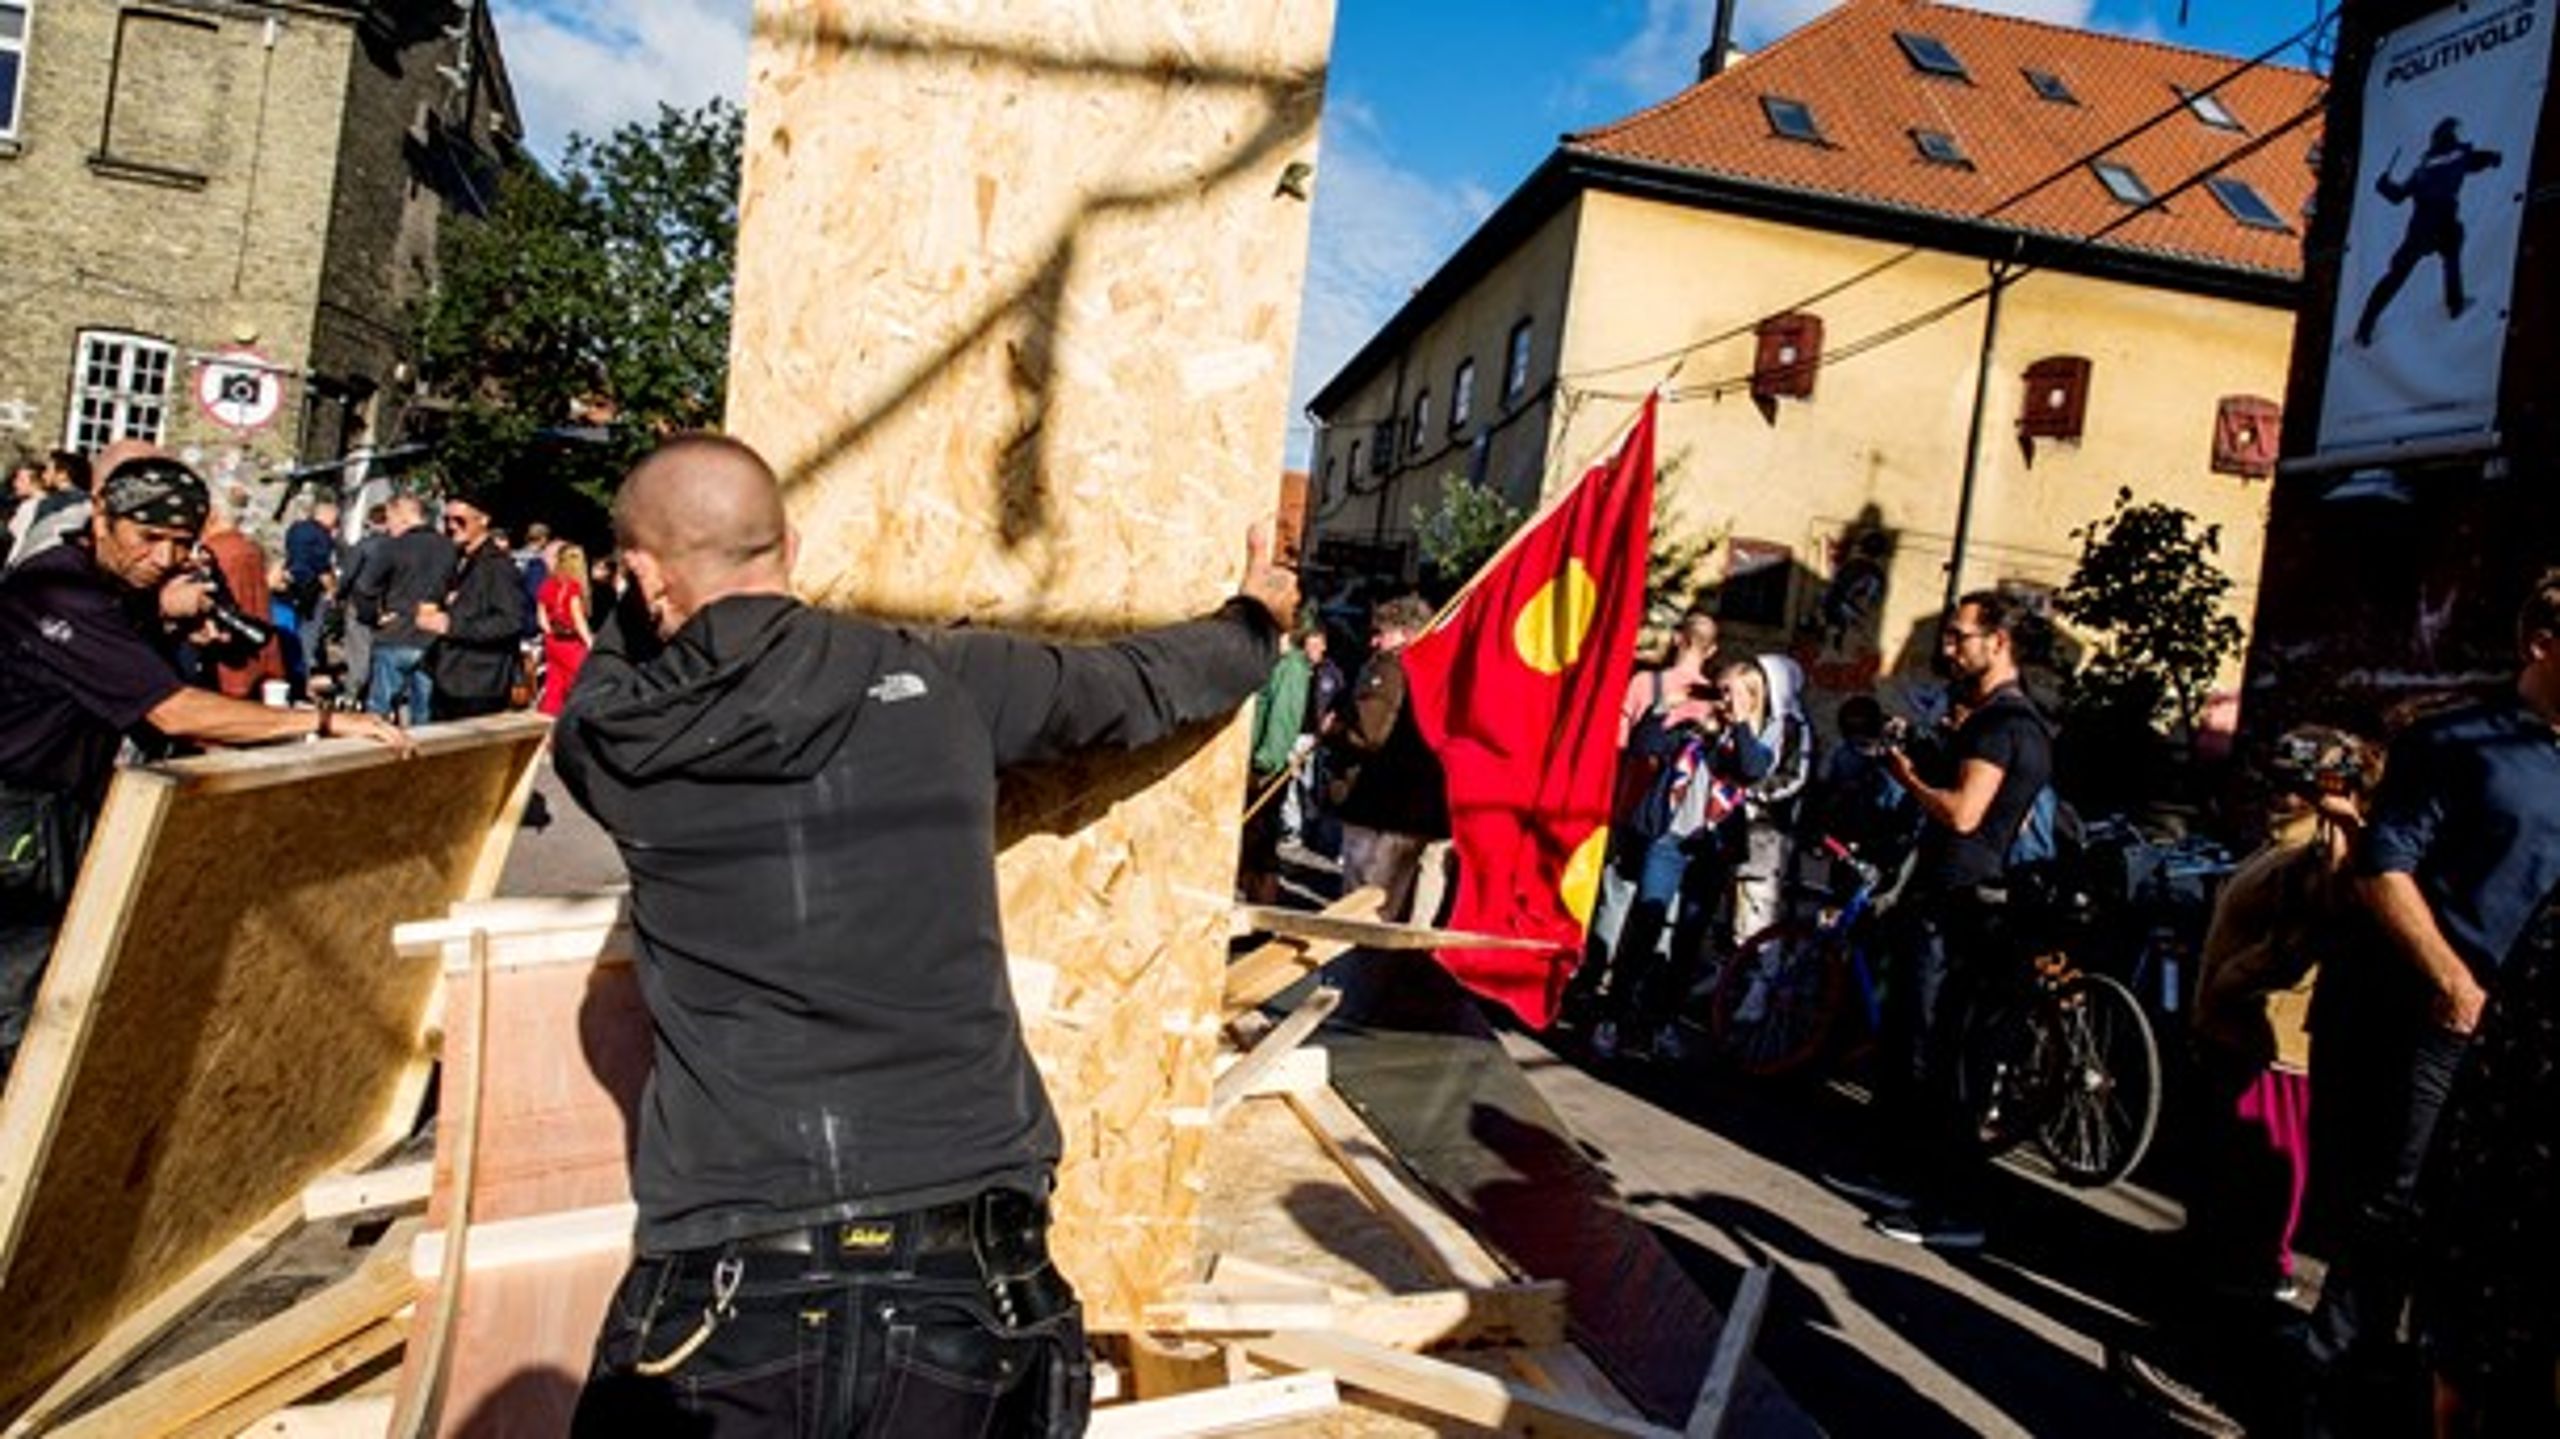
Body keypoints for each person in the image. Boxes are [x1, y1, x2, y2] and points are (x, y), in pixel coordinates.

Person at [552, 434, 1295, 1436]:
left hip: (732, 1299)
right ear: (793, 544)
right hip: (970, 1283)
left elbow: (613, 663)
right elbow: (1137, 683)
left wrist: (636, 591)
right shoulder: (942, 679)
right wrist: (1255, 620)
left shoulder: (618, 738)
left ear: (641, 577)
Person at [0, 446, 408, 1076]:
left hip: (64, 802)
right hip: (17, 808)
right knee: (20, 995)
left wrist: (169, 622)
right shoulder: (55, 588)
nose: (161, 558)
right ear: (101, 515)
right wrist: (323, 721)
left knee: (63, 974)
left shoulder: (116, 588)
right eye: (148, 537)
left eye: (180, 542)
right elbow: (173, 712)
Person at [2302, 571, 2560, 1428]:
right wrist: (2452, 981)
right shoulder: (2459, 741)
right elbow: (2385, 864)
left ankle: (2427, 1385)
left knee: (2496, 1232)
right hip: (2450, 1017)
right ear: (2541, 641)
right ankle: (2332, 1387)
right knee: (2401, 1205)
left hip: (2541, 1042)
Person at [1852, 591, 2055, 1249]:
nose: (1949, 647)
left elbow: (1967, 813)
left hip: (1967, 912)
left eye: (1960, 635)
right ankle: (1916, 1184)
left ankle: (1953, 1210)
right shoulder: (2002, 722)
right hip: (1960, 903)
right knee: (1927, 1048)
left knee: (1952, 1061)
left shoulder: (2004, 725)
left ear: (1998, 641)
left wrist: (1908, 775)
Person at [1588, 657, 1772, 1060]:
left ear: (1750, 699)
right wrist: (1665, 708)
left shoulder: (1754, 744)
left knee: (1688, 942)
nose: (1720, 701)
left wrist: (1739, 721)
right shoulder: (1693, 736)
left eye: (1729, 693)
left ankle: (1661, 1024)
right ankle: (1613, 1019)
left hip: (1710, 852)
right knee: (1645, 927)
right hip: (1668, 843)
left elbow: (1752, 767)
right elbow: (1643, 745)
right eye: (1719, 691)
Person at [1565, 611, 1725, 1029]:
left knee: (1617, 893)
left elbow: (1618, 744)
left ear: (1677, 639)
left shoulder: (1644, 684)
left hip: (1633, 804)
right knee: (1661, 908)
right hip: (1679, 815)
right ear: (1712, 650)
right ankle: (1637, 989)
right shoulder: (1714, 698)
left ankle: (1592, 979)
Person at [1326, 594, 1450, 922]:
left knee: (1363, 904)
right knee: (1403, 907)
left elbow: (1369, 733)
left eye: (1382, 632)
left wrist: (1334, 728)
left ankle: (1353, 971)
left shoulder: (1390, 666)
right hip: (1422, 805)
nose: (1374, 641)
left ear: (1406, 634)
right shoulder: (1443, 666)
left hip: (1380, 802)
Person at [419, 493, 528, 721]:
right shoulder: (459, 559)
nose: (452, 527)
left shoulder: (498, 567)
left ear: (483, 520)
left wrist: (451, 625)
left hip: (478, 684)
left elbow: (511, 621)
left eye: (460, 520)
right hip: (450, 678)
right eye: (447, 520)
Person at [352, 494, 454, 724]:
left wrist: (372, 617)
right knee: (425, 715)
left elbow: (364, 587)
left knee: (379, 712)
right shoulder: (448, 547)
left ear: (403, 514)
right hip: (432, 637)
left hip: (396, 632)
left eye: (389, 518)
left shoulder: (393, 546)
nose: (388, 526)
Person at [1238, 618, 1311, 903]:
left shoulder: (1290, 666)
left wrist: (1264, 764)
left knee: (1260, 849)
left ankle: (1261, 916)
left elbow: (1283, 720)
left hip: (1263, 772)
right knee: (1246, 846)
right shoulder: (1268, 660)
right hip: (1247, 766)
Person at [193, 493, 284, 700]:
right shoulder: (251, 548)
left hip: (230, 648)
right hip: (258, 637)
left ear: (212, 516)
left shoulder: (214, 551)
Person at [280, 495, 341, 690]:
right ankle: (303, 675)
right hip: (312, 589)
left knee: (292, 629)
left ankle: (290, 669)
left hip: (291, 585)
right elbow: (322, 567)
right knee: (310, 634)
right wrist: (332, 591)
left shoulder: (295, 529)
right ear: (327, 515)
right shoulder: (321, 535)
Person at [6, 451, 93, 572]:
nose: (43, 476)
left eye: (48, 470)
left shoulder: (50, 503)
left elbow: (32, 540)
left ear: (62, 475)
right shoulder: (89, 502)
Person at [536, 542, 594, 717]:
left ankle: (547, 722)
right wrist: (590, 643)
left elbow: (542, 620)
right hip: (571, 644)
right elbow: (578, 621)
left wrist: (551, 635)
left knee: (554, 685)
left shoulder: (548, 584)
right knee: (579, 684)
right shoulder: (574, 588)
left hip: (553, 642)